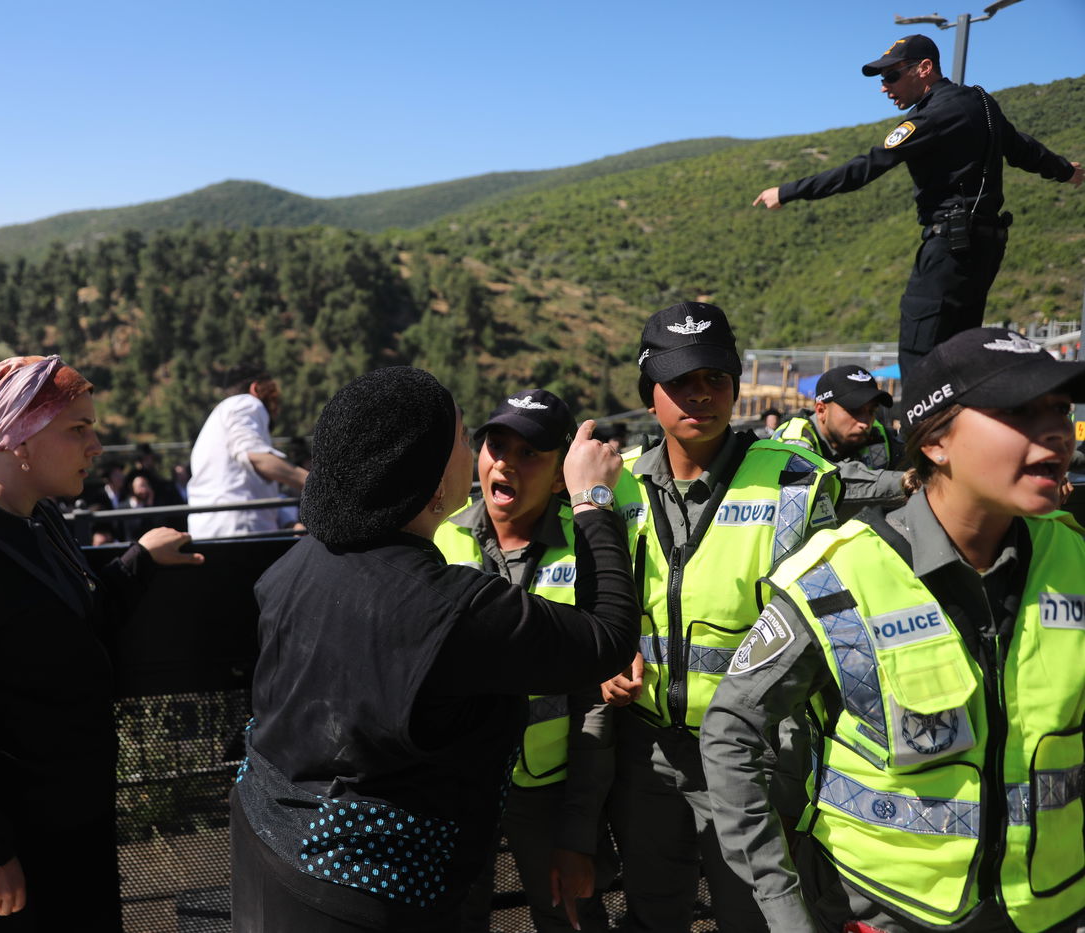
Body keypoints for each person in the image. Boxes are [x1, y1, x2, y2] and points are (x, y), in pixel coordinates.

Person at [701, 327, 1085, 933]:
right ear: (935, 443)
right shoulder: (834, 580)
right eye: (1018, 410)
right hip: (884, 913)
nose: (1056, 430)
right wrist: (781, 905)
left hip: (1054, 907)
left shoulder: (1075, 559)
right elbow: (730, 731)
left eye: (1060, 408)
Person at [230, 366, 638, 933]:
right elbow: (608, 641)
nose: (485, 455)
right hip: (374, 896)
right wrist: (593, 499)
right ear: (428, 476)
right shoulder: (450, 608)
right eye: (469, 439)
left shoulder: (293, 570)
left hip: (267, 850)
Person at [0, 354, 204, 931]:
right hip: (6, 850)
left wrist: (138, 560)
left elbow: (77, 616)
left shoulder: (39, 520)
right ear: (20, 440)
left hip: (62, 823)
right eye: (78, 429)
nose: (96, 447)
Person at [565, 302, 841, 933]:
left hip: (759, 757)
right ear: (649, 393)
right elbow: (593, 608)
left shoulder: (796, 483)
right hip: (648, 754)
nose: (701, 394)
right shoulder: (619, 487)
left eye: (716, 378)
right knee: (653, 913)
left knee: (757, 919)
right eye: (681, 381)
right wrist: (605, 668)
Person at [753, 34, 1083, 374]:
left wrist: (788, 191)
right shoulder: (982, 104)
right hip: (984, 247)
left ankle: (919, 428)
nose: (885, 87)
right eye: (882, 79)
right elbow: (1022, 148)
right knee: (959, 359)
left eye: (892, 76)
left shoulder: (932, 117)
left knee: (920, 359)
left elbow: (865, 168)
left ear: (924, 68)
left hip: (949, 248)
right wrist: (1064, 172)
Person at [436, 388, 618, 933]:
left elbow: (594, 702)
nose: (506, 464)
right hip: (457, 789)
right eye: (497, 446)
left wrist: (576, 836)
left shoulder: (587, 548)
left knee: (568, 915)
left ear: (563, 475)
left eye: (529, 453)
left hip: (550, 792)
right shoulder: (441, 541)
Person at [186, 366, 307, 539]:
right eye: (274, 397)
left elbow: (251, 489)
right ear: (256, 388)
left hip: (214, 530)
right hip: (240, 531)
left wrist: (288, 521)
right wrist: (316, 484)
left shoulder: (220, 423)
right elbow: (256, 458)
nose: (276, 408)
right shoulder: (246, 403)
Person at [772, 364, 907, 517]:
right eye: (854, 411)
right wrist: (903, 482)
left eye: (871, 411)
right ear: (821, 410)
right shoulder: (794, 440)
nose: (864, 422)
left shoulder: (877, 434)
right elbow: (824, 484)